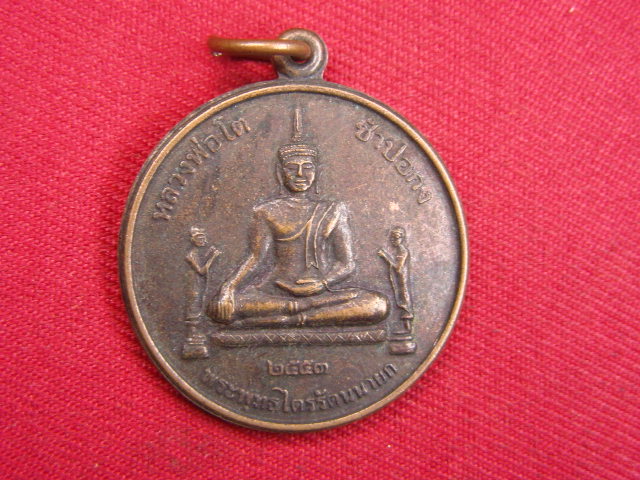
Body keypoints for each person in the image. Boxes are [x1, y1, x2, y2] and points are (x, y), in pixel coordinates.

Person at [207, 117, 388, 328]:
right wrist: (228, 287)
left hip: (321, 293)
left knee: (377, 304)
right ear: (280, 172)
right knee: (218, 308)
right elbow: (256, 257)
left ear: (316, 172)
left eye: (307, 168)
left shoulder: (333, 209)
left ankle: (293, 316)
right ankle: (301, 313)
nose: (300, 174)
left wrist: (323, 283)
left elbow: (346, 263)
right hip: (275, 291)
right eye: (292, 168)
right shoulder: (266, 211)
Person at [378, 227, 414, 332]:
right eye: (392, 238)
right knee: (401, 299)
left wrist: (385, 256)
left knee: (404, 300)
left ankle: (407, 327)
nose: (393, 240)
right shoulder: (399, 251)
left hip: (402, 280)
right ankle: (406, 327)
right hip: (399, 280)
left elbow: (398, 267)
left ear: (401, 238)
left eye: (395, 238)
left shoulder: (403, 251)